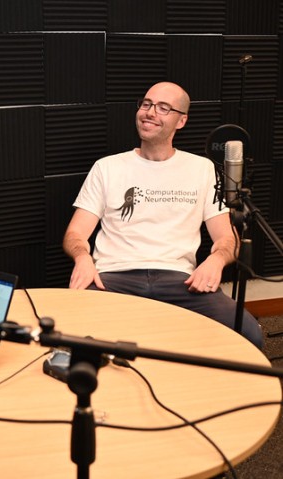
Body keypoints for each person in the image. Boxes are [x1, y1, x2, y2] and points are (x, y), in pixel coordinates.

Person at [62, 81, 263, 349]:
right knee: (70, 337)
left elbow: (228, 239)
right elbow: (75, 234)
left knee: (249, 335)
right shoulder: (107, 168)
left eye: (163, 108)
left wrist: (216, 260)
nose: (150, 112)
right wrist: (82, 257)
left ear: (181, 121)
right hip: (112, 277)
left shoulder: (201, 169)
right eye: (146, 104)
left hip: (180, 282)